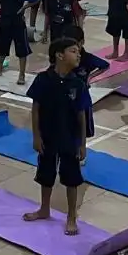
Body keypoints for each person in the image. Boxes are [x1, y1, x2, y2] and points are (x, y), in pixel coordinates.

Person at [23, 38, 87, 235]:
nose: (78, 55)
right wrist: (36, 136)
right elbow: (35, 109)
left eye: (78, 51)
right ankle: (44, 208)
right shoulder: (43, 79)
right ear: (60, 55)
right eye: (73, 51)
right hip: (48, 136)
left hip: (69, 138)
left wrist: (82, 144)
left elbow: (82, 115)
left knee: (71, 178)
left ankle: (71, 216)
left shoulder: (77, 83)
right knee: (46, 173)